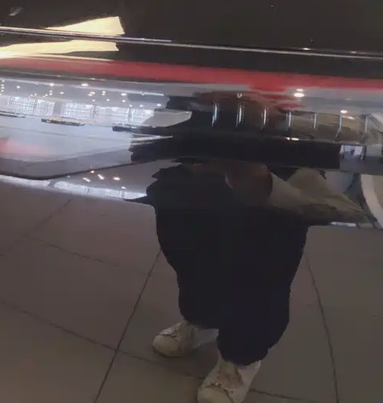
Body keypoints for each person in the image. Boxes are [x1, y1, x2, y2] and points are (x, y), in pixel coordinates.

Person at [141, 93, 366, 403]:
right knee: (185, 249)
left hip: (276, 161)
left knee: (261, 269)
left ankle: (241, 357)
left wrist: (278, 117)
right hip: (195, 145)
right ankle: (202, 319)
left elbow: (363, 123)